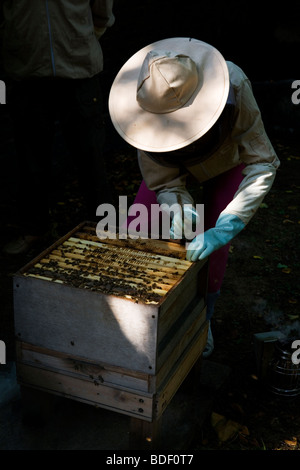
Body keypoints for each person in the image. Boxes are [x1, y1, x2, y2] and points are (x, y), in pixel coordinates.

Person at [108, 37, 280, 357]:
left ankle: (203, 317)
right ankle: (139, 316)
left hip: (228, 161)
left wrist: (226, 225)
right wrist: (178, 208)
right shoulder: (139, 108)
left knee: (213, 249)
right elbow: (164, 181)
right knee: (138, 227)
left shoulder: (236, 85)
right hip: (174, 168)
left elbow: (262, 162)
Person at [2, 0, 115, 255]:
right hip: (26, 71)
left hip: (80, 70)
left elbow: (102, 10)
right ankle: (34, 229)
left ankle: (105, 229)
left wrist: (82, 37)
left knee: (91, 155)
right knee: (30, 158)